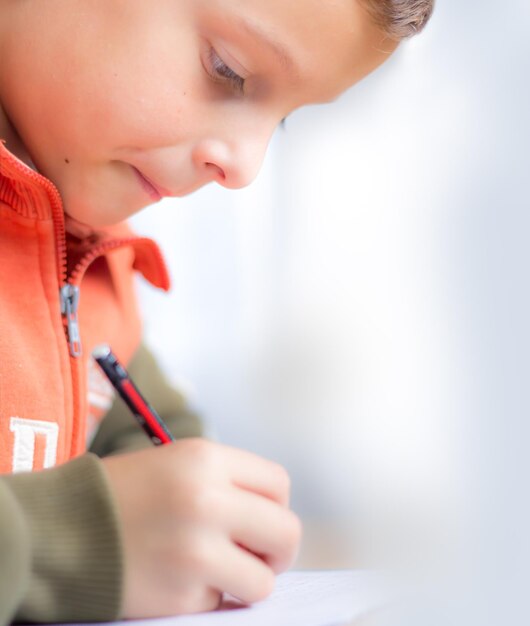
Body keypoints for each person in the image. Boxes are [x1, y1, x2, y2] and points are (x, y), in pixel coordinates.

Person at [0, 0, 434, 623]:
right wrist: (64, 542)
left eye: (281, 121)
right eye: (226, 69)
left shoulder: (92, 266)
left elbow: (140, 433)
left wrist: (197, 505)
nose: (245, 167)